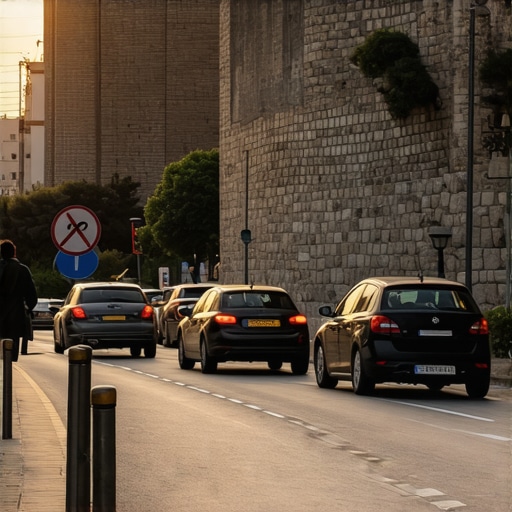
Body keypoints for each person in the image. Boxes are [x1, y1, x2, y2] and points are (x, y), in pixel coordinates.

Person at [0, 240, 38, 361]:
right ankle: (8, 376)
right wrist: (27, 308)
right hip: (15, 317)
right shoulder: (22, 270)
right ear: (14, 252)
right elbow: (32, 296)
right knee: (11, 355)